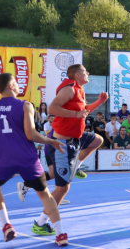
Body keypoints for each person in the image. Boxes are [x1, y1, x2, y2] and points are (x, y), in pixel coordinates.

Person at [31, 64, 106, 236]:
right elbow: (52, 108)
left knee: (98, 140)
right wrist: (75, 115)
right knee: (62, 188)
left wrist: (99, 102)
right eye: (85, 71)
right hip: (63, 144)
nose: (88, 73)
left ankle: (77, 165)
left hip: (76, 140)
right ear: (78, 75)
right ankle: (40, 223)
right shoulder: (69, 89)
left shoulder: (79, 89)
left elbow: (84, 111)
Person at [0, 74, 68, 245]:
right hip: (26, 157)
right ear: (11, 87)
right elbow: (30, 134)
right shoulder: (25, 105)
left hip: (3, 158)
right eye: (16, 82)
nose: (18, 84)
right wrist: (50, 140)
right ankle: (60, 235)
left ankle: (6, 225)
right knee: (45, 195)